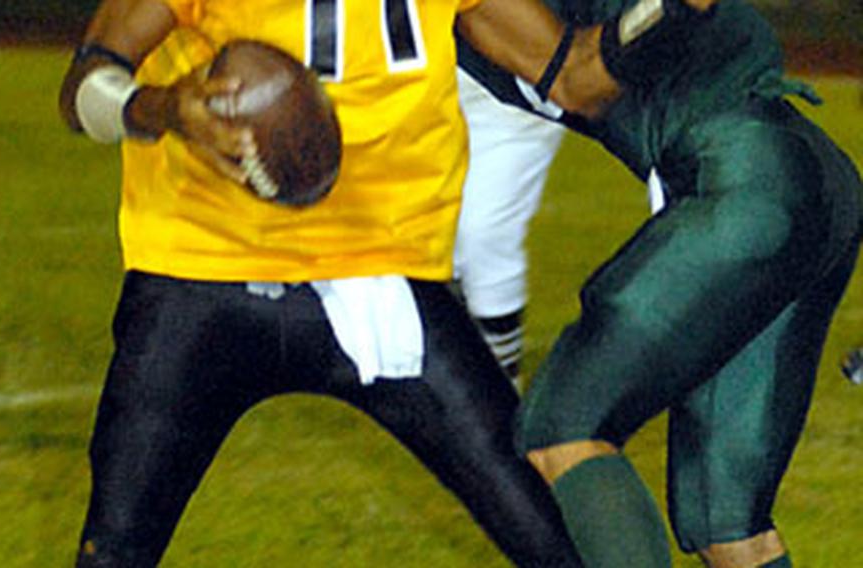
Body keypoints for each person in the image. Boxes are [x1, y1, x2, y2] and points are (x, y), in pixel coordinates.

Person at [57, 0, 633, 565]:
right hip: (204, 265)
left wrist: (664, 13)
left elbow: (573, 79)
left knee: (554, 539)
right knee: (114, 550)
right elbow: (84, 89)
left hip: (381, 279)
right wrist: (165, 109)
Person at [464, 0, 863, 566]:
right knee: (723, 522)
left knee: (564, 426)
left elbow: (578, 83)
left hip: (744, 186)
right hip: (803, 187)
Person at [453, 65, 565, 389]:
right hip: (427, 90)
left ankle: (502, 390)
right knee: (442, 244)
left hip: (513, 98)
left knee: (484, 237)